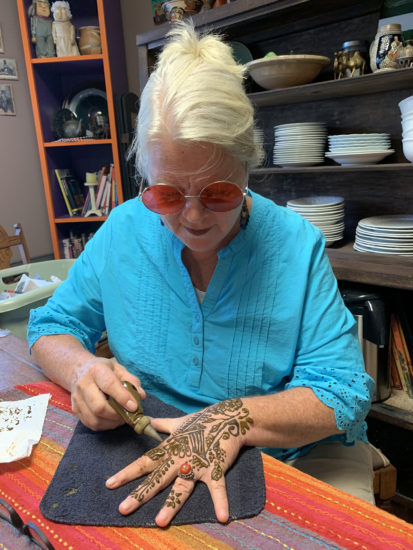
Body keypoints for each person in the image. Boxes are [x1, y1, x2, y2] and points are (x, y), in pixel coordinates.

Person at [28, 21, 375, 527]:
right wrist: (82, 370)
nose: (192, 218)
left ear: (249, 166)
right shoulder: (124, 229)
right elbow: (50, 326)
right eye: (167, 193)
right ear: (143, 172)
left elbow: (342, 392)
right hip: (153, 442)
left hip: (284, 455)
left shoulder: (297, 246)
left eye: (218, 193)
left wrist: (230, 419)